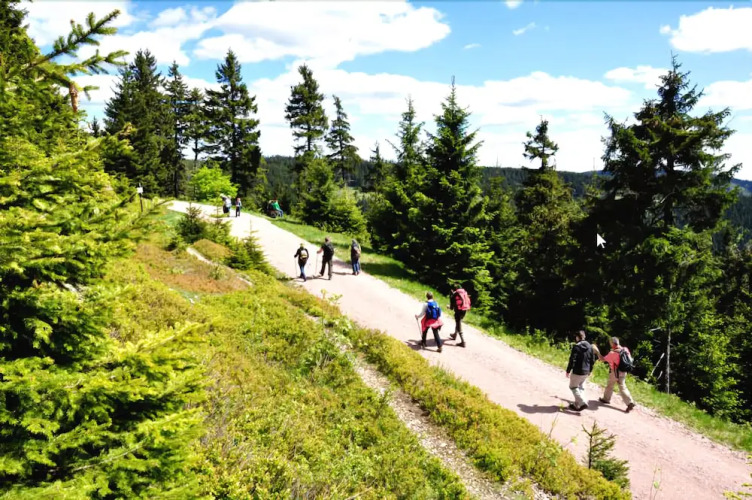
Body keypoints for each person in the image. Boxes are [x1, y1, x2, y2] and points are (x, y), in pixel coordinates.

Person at [593, 337, 636, 413]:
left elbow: (602, 359)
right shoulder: (625, 349)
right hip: (624, 371)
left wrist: (597, 352)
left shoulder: (612, 353)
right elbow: (630, 359)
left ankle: (606, 399)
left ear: (613, 343)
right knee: (622, 386)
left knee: (610, 385)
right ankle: (630, 402)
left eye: (610, 343)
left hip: (615, 372)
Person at [565, 330, 596, 411]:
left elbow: (572, 359)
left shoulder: (576, 346)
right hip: (586, 371)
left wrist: (568, 370)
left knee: (573, 387)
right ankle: (577, 405)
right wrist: (590, 370)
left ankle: (582, 402)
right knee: (581, 387)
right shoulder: (590, 346)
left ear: (577, 337)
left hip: (577, 371)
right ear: (584, 337)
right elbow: (592, 360)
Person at [448, 283, 471, 348]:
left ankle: (463, 342)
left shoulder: (454, 294)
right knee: (458, 322)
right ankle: (454, 335)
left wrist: (450, 297)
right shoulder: (464, 292)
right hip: (464, 310)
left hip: (458, 311)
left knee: (458, 324)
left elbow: (451, 308)